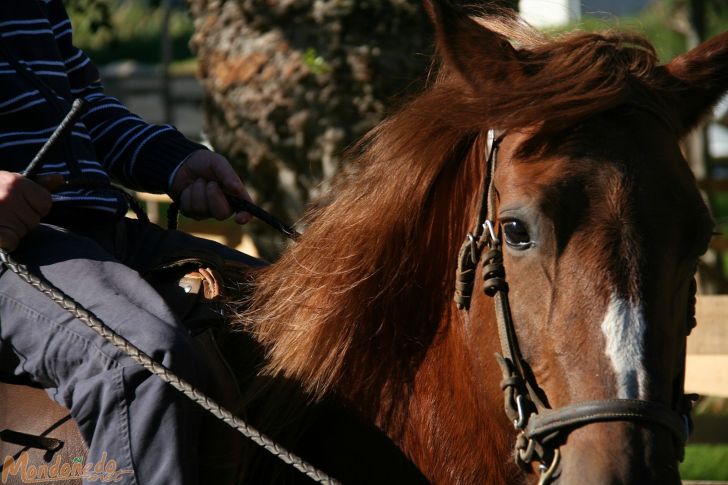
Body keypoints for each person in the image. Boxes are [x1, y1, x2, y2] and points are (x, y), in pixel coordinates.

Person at [0, 1, 260, 484]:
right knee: (136, 360)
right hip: (14, 246)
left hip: (103, 228)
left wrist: (172, 162)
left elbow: (80, 104)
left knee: (299, 307)